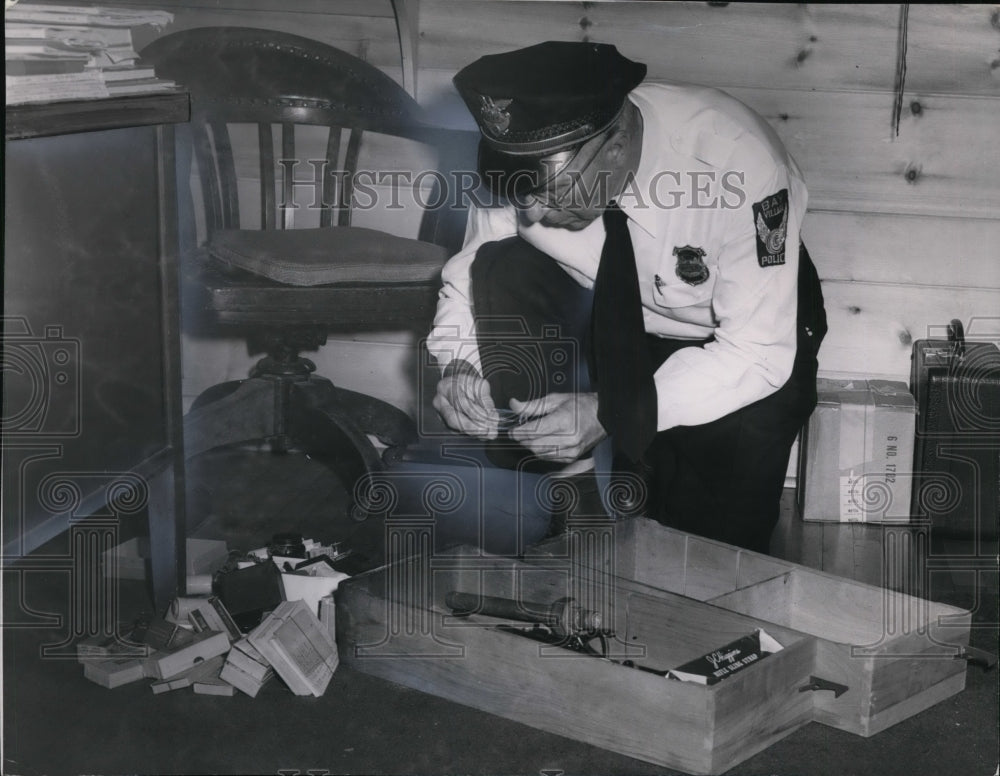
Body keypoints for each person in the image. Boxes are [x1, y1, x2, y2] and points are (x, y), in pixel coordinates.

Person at [425, 41, 826, 553]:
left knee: (707, 557)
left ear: (614, 149)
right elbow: (469, 276)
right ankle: (574, 497)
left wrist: (614, 410)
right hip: (608, 315)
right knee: (505, 263)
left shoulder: (738, 163)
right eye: (517, 190)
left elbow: (758, 351)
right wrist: (460, 366)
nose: (530, 213)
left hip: (734, 341)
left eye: (549, 194)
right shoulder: (526, 160)